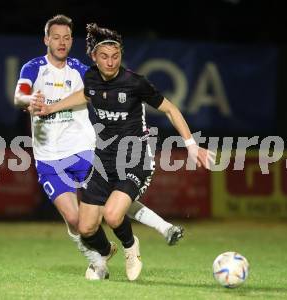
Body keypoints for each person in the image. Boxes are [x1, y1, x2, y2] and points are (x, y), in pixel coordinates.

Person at [31, 23, 211, 281]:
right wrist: (52, 108)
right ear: (94, 57)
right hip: (104, 160)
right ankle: (109, 250)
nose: (110, 62)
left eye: (115, 56)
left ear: (121, 56)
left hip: (135, 157)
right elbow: (85, 94)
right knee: (85, 227)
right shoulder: (91, 78)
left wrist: (191, 144)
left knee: (114, 215)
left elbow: (171, 109)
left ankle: (130, 247)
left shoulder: (135, 83)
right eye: (104, 56)